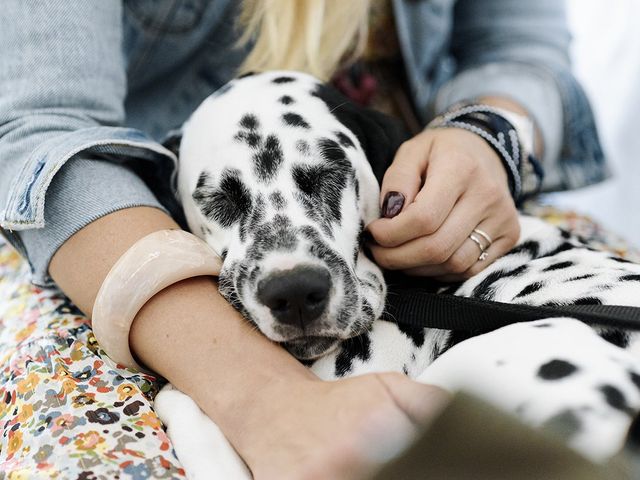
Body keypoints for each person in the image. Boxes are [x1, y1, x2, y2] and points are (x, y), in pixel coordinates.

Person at [0, 0, 606, 478]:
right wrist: (261, 400)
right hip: (129, 231)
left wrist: (488, 134)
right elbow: (39, 135)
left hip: (429, 197)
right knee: (91, 450)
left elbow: (522, 50)